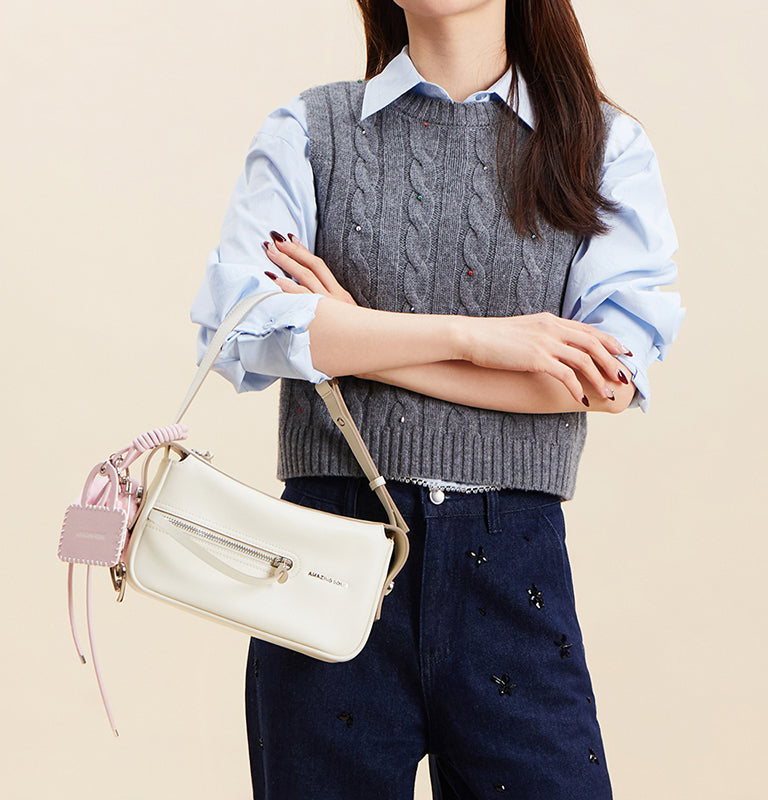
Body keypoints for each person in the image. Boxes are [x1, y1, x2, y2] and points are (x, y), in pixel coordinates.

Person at [189, 1, 686, 797]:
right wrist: (482, 340)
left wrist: (355, 337)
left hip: (513, 565)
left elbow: (600, 380)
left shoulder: (604, 146)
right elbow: (246, 329)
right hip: (328, 558)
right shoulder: (309, 131)